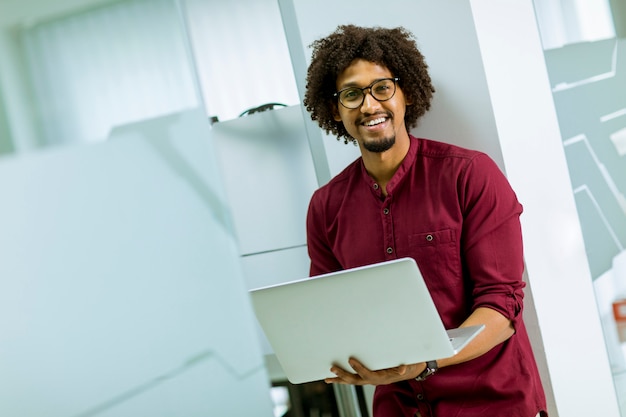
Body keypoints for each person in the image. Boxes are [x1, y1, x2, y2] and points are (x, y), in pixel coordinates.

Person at [302, 24, 547, 417]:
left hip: (492, 406)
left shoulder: (469, 175)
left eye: (381, 88)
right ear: (335, 109)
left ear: (407, 93)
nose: (368, 106)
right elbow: (330, 315)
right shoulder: (325, 207)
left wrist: (425, 363)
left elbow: (501, 310)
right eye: (351, 95)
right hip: (398, 409)